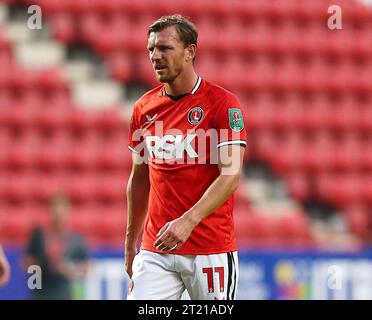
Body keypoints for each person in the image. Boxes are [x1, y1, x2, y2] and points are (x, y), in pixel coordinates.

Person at [125, 15, 247, 300]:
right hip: (157, 247)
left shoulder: (222, 104)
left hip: (209, 247)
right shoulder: (143, 108)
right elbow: (139, 179)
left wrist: (187, 221)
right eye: (151, 49)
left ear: (190, 51)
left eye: (165, 48)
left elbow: (230, 176)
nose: (155, 56)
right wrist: (132, 238)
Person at [23, 194, 89, 300]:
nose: (58, 213)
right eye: (54, 209)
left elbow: (86, 269)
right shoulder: (38, 237)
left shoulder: (76, 240)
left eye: (61, 209)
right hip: (42, 294)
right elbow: (27, 265)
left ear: (68, 210)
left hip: (65, 294)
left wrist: (68, 269)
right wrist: (40, 266)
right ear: (49, 211)